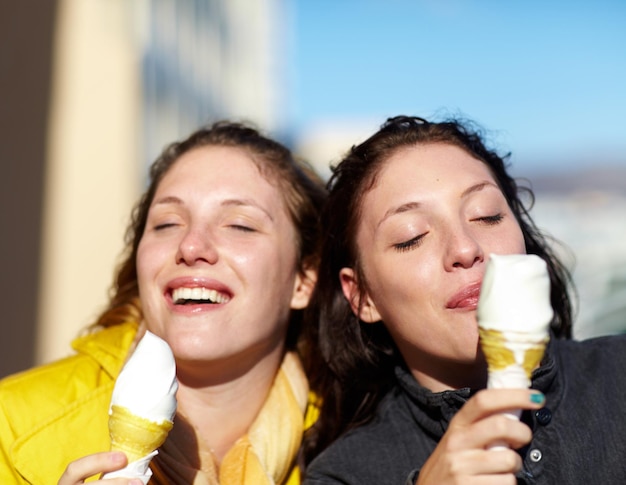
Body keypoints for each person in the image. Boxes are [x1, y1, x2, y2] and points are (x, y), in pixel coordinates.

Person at [301, 115, 626, 484]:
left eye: (487, 216)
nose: (465, 248)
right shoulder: (343, 475)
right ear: (362, 296)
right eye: (411, 236)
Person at [0, 120, 327, 485]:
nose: (191, 246)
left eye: (239, 225)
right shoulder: (11, 426)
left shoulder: (357, 441)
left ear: (304, 279)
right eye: (168, 223)